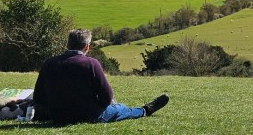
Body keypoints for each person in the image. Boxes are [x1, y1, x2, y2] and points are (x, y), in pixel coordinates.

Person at [33, 29, 169, 124]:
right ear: (87, 47)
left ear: (67, 44)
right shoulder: (91, 64)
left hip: (57, 116)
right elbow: (107, 96)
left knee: (117, 108)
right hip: (89, 115)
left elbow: (38, 97)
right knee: (120, 109)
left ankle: (141, 110)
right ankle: (144, 110)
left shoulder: (49, 63)